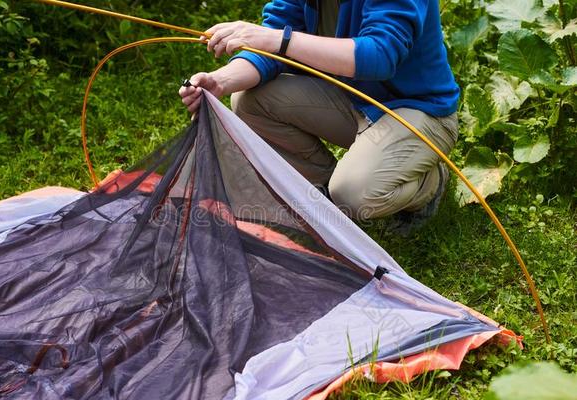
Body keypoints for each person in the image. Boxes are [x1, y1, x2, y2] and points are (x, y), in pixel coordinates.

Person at [178, 0, 459, 229]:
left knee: (355, 193)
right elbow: (273, 38)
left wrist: (279, 39)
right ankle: (326, 191)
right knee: (249, 99)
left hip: (419, 110)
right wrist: (221, 81)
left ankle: (430, 184)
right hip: (353, 100)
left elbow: (381, 54)